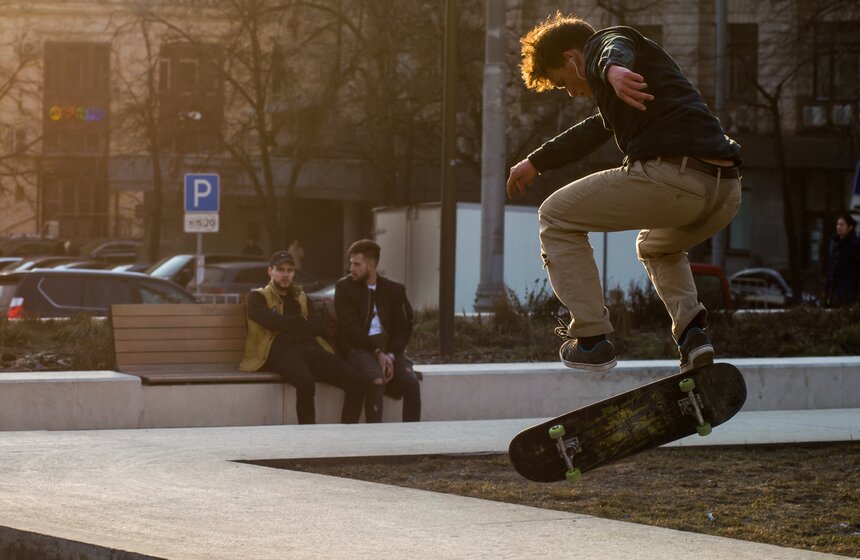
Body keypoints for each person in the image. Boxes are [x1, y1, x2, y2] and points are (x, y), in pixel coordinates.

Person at [506, 13, 742, 373]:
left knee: (554, 215)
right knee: (654, 246)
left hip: (672, 177)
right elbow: (592, 130)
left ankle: (591, 339)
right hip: (724, 190)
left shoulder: (607, 44)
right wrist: (537, 161)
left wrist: (613, 69)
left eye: (562, 82)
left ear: (572, 59)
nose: (570, 92)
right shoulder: (632, 91)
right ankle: (693, 336)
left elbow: (613, 45)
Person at [239, 250, 368, 424]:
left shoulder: (301, 296)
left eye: (290, 270)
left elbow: (319, 325)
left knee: (357, 384)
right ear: (270, 271)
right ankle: (308, 438)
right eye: (280, 269)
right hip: (277, 350)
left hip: (310, 348)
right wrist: (301, 320)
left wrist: (291, 322)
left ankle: (345, 438)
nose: (285, 274)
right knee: (306, 383)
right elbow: (271, 321)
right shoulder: (257, 296)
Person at [334, 239, 421, 422]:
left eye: (357, 264)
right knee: (376, 381)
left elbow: (405, 326)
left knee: (411, 384)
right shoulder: (344, 288)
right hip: (358, 348)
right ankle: (374, 439)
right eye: (351, 263)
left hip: (388, 349)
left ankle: (413, 439)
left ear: (371, 265)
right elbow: (349, 327)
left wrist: (390, 353)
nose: (351, 269)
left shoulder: (394, 290)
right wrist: (377, 352)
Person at [824, 212, 860, 307]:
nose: (839, 227)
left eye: (842, 225)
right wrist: (827, 287)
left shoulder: (854, 244)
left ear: (850, 227)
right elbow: (831, 266)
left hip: (847, 290)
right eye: (838, 224)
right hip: (832, 289)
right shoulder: (834, 243)